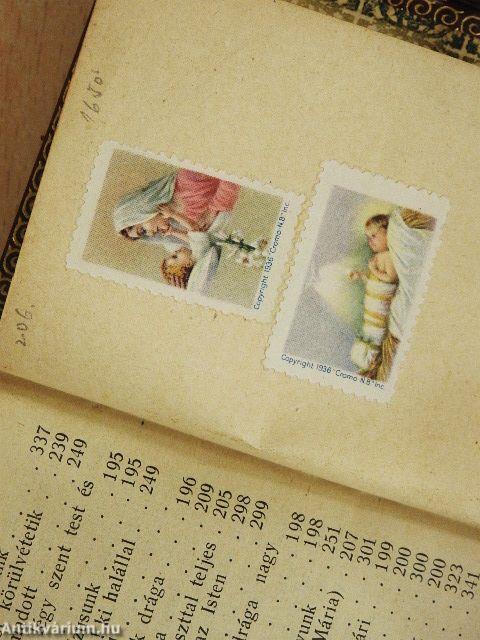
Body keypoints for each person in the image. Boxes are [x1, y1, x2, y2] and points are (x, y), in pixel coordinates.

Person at [113, 168, 240, 246]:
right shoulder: (182, 220)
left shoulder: (187, 178)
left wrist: (212, 211)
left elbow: (230, 172)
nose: (151, 234)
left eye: (142, 230)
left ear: (141, 211)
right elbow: (201, 241)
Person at [348, 214, 398, 371]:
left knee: (375, 332)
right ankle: (367, 356)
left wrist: (373, 270)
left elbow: (391, 278)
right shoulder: (378, 257)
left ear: (388, 234)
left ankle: (372, 359)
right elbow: (374, 282)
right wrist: (361, 275)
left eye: (374, 236)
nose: (370, 241)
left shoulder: (389, 257)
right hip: (372, 306)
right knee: (367, 331)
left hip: (380, 308)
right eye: (368, 237)